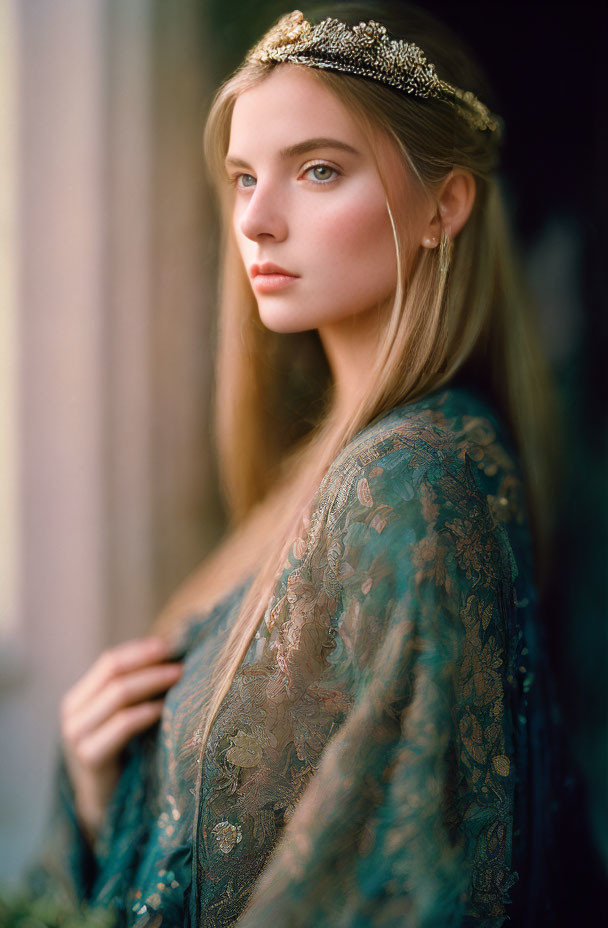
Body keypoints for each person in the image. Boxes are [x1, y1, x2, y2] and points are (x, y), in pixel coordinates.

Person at [5, 2, 591, 926]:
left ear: (444, 205)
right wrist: (95, 793)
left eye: (319, 170)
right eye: (243, 177)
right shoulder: (348, 464)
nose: (258, 222)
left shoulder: (413, 479)